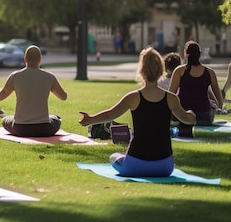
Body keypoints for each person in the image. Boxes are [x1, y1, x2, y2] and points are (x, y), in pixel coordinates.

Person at [79, 47, 196, 177]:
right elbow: (187, 119)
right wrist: (192, 115)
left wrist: (89, 119)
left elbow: (110, 115)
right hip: (165, 167)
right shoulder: (171, 98)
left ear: (142, 71)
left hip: (135, 166)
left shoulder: (133, 97)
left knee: (114, 156)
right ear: (160, 70)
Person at [0, 45, 67, 137]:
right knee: (55, 118)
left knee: (6, 119)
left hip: (20, 128)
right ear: (40, 59)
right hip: (44, 128)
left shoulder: (16, 76)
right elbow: (63, 97)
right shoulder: (49, 77)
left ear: (25, 59)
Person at [168, 40, 222, 132]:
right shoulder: (209, 72)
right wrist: (218, 107)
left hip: (182, 115)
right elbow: (219, 98)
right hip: (204, 115)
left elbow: (170, 94)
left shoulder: (179, 71)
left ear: (186, 54)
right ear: (199, 54)